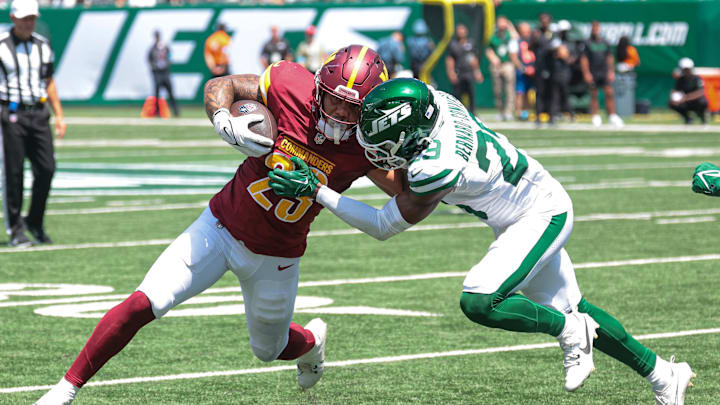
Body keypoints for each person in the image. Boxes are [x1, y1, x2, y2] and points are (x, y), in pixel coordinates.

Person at [268, 77, 696, 405]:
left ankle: (569, 330)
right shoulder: (435, 100)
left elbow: (385, 223)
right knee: (577, 306)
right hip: (520, 207)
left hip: (539, 212)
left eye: (382, 145)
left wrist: (319, 190)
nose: (374, 152)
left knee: (480, 299)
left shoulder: (435, 166)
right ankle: (663, 376)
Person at [32, 45, 395, 405]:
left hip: (278, 255)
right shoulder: (288, 85)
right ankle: (65, 390)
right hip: (220, 226)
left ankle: (312, 343)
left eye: (352, 106)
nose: (340, 112)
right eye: (334, 99)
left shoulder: (368, 144)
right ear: (318, 86)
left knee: (269, 349)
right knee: (146, 300)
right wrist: (222, 118)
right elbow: (222, 85)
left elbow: (406, 194)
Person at [1, 0, 66, 248]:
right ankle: (16, 229)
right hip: (10, 113)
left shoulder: (42, 45)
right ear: (13, 17)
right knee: (13, 173)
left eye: (32, 18)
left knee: (47, 168)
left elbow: (49, 81)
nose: (29, 23)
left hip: (39, 113)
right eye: (24, 18)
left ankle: (34, 222)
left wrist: (59, 114)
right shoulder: (1, 45)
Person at [579, 21, 624, 128]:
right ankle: (596, 116)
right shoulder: (587, 43)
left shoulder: (605, 42)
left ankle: (612, 116)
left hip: (604, 72)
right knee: (594, 94)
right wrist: (586, 73)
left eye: (597, 28)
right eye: (593, 28)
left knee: (609, 92)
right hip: (593, 72)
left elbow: (609, 57)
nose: (595, 30)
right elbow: (584, 59)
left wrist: (611, 71)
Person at [446, 24, 483, 113]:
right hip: (458, 72)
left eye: (463, 31)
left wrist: (477, 71)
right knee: (457, 94)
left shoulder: (471, 43)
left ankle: (472, 113)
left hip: (469, 72)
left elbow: (474, 58)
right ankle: (459, 112)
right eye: (459, 31)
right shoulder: (453, 44)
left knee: (471, 93)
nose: (461, 33)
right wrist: (451, 72)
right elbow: (450, 59)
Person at [486, 16, 517, 121]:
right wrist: (493, 58)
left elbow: (516, 38)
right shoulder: (494, 36)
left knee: (509, 89)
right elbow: (488, 50)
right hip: (496, 65)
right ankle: (500, 111)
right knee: (497, 90)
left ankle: (508, 111)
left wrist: (510, 26)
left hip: (507, 64)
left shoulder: (509, 35)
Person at [147, 30, 179, 117]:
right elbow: (149, 59)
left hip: (165, 72)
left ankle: (176, 111)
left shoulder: (164, 46)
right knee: (157, 93)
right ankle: (157, 112)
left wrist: (167, 63)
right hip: (157, 72)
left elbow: (169, 55)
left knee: (170, 92)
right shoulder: (153, 48)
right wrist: (154, 67)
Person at [530, 13, 554, 125]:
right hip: (539, 65)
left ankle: (551, 116)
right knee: (539, 92)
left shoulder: (553, 33)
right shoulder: (536, 33)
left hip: (551, 66)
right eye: (542, 20)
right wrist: (535, 39)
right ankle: (538, 116)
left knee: (550, 92)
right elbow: (530, 47)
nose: (544, 22)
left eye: (546, 20)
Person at [669, 58, 707, 125]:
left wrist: (686, 98)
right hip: (685, 102)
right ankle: (687, 118)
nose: (686, 71)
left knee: (703, 102)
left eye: (687, 69)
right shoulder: (680, 80)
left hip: (696, 101)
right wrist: (674, 99)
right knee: (671, 103)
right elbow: (675, 90)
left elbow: (701, 92)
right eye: (684, 69)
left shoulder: (697, 78)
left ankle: (702, 116)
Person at [512, 22, 535, 121]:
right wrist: (523, 68)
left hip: (532, 70)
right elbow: (514, 57)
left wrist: (533, 68)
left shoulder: (533, 41)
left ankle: (526, 112)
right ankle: (519, 112)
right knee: (520, 92)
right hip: (521, 71)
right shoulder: (516, 42)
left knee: (529, 92)